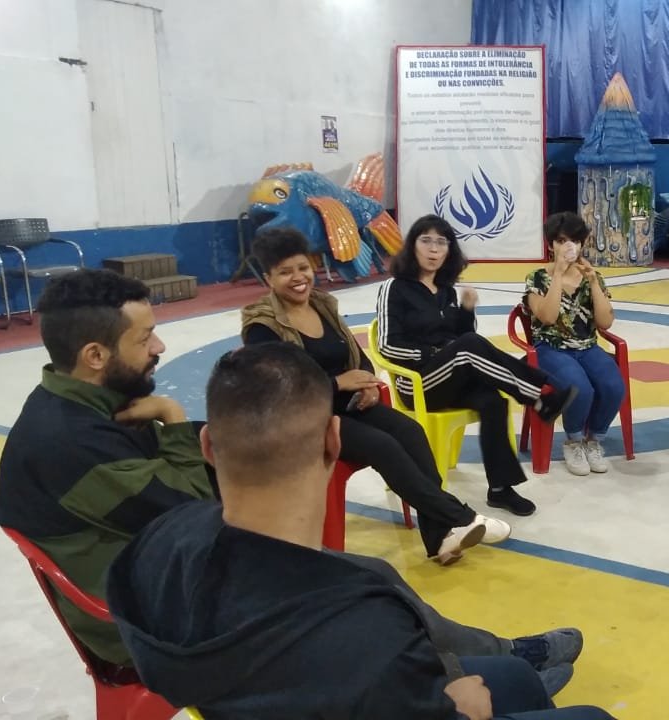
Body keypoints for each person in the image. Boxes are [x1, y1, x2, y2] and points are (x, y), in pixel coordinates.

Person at [106, 342, 611, 720]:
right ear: (333, 441)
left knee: (519, 679)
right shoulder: (365, 627)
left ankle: (517, 665)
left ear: (208, 447)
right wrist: (460, 709)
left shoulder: (155, 548)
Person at [242, 228, 510, 565]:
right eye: (285, 272)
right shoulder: (262, 326)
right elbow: (277, 389)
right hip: (303, 419)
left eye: (303, 268)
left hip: (349, 406)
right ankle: (461, 517)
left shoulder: (323, 305)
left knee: (411, 432)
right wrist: (338, 383)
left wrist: (368, 382)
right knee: (383, 446)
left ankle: (439, 537)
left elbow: (355, 353)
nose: (298, 278)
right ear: (268, 278)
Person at [0, 269, 215, 672]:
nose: (160, 346)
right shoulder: (70, 444)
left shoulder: (74, 398)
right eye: (145, 338)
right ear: (95, 355)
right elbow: (197, 514)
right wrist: (175, 418)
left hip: (142, 568)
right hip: (141, 623)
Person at [376, 215, 577, 517]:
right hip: (417, 382)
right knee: (468, 348)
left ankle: (500, 488)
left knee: (492, 400)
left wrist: (467, 311)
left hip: (452, 372)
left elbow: (461, 338)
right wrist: (433, 353)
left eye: (441, 242)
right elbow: (386, 345)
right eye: (426, 241)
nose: (433, 249)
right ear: (412, 246)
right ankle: (538, 394)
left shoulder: (446, 291)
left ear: (449, 250)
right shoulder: (394, 288)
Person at [524, 212, 625, 476]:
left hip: (587, 347)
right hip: (550, 348)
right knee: (581, 388)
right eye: (561, 241)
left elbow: (605, 323)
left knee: (614, 385)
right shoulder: (537, 278)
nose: (568, 247)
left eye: (574, 241)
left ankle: (594, 440)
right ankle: (573, 441)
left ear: (582, 244)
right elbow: (547, 317)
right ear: (550, 245)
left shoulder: (594, 276)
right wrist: (557, 274)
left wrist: (592, 282)